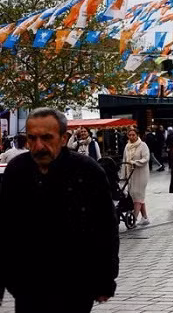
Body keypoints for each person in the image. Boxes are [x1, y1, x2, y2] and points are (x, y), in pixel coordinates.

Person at [0, 108, 118, 312]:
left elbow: (105, 228)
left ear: (63, 138)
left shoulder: (87, 171)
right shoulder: (17, 171)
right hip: (28, 284)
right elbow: (4, 228)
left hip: (74, 283)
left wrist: (105, 279)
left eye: (46, 138)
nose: (38, 146)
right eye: (32, 138)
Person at [123, 127, 151, 226]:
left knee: (137, 195)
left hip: (141, 174)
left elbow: (146, 158)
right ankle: (145, 217)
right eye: (129, 135)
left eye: (133, 135)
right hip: (131, 174)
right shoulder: (127, 146)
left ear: (137, 135)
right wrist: (124, 175)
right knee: (136, 196)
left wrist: (135, 162)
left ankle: (133, 219)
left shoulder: (143, 145)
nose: (131, 137)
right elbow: (125, 160)